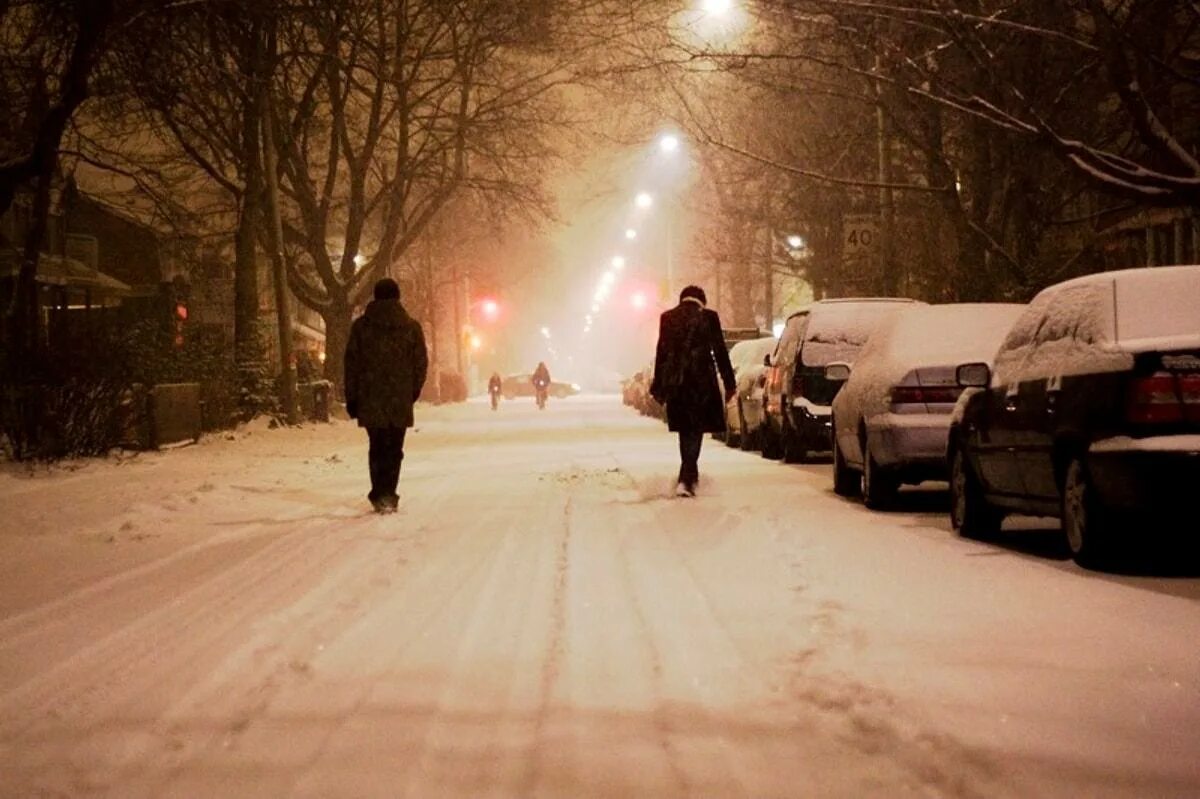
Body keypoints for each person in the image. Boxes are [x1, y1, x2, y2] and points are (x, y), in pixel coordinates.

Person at [344, 277, 429, 513]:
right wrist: (412, 389)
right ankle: (389, 493)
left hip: (371, 397)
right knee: (395, 448)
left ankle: (379, 491)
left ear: (375, 296)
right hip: (399, 397)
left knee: (377, 446)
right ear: (397, 297)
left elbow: (351, 363)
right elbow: (421, 362)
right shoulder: (411, 327)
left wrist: (352, 397)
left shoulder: (361, 327)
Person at [650, 284, 736, 497]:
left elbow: (662, 352)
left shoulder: (667, 318)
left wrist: (659, 385)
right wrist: (729, 383)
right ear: (702, 300)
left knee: (685, 430)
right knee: (695, 430)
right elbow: (720, 351)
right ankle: (687, 477)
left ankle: (688, 474)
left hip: (678, 384)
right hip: (702, 382)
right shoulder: (709, 318)